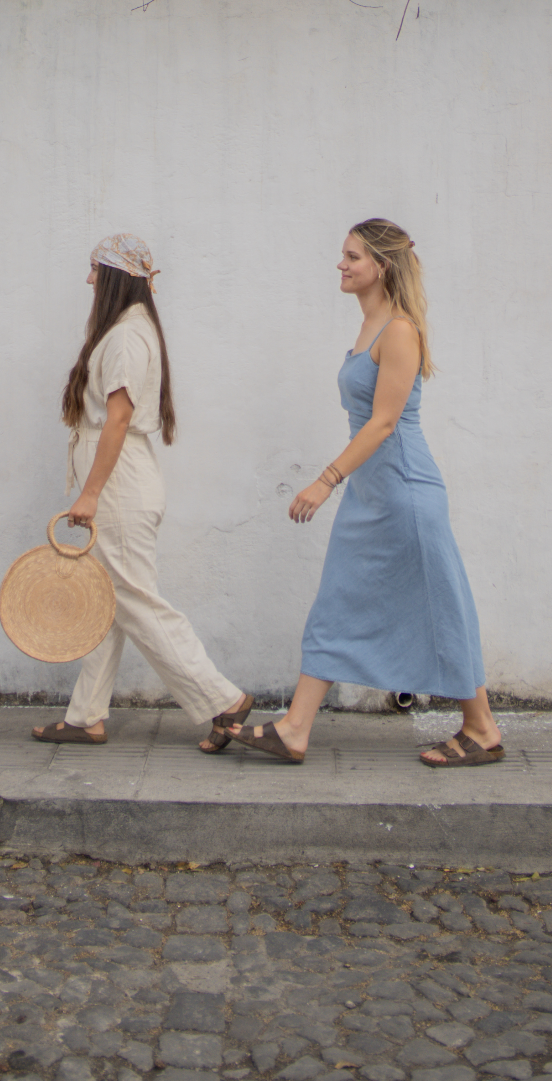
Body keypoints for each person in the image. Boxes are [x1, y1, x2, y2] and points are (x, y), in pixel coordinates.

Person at [226, 218, 504, 769]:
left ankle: (482, 728)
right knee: (338, 599)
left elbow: (382, 425)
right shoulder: (369, 325)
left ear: (381, 264)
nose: (342, 264)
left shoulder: (398, 329)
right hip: (372, 493)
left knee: (440, 603)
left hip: (404, 490)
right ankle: (296, 729)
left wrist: (325, 480)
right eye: (343, 254)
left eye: (352, 256)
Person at [32, 234, 252, 752]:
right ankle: (86, 716)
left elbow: (119, 417)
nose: (87, 280)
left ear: (113, 276)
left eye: (93, 270)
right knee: (110, 599)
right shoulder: (128, 330)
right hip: (123, 479)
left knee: (133, 598)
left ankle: (222, 698)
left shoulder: (128, 336)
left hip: (119, 484)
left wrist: (89, 494)